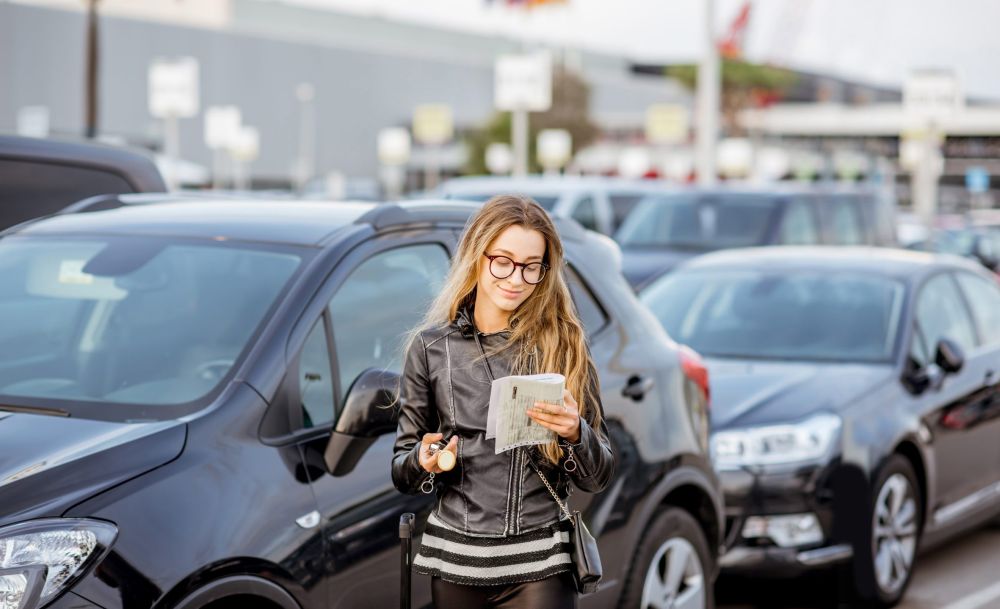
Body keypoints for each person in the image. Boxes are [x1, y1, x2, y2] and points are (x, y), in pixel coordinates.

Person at [391, 195, 615, 609]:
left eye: (532, 267)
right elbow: (402, 470)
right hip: (458, 563)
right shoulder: (431, 349)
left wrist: (574, 432)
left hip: (541, 564)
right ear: (478, 256)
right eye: (504, 261)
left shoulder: (564, 345)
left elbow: (598, 476)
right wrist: (424, 458)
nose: (516, 278)